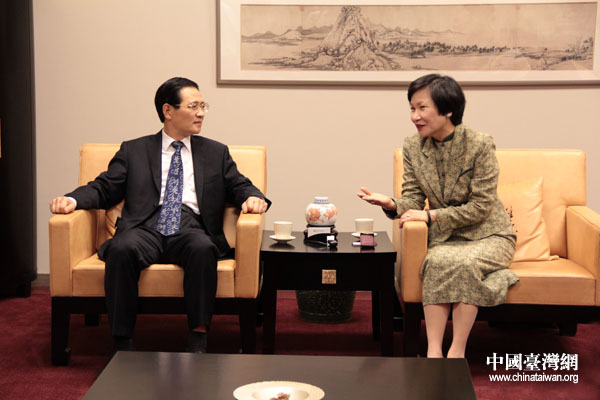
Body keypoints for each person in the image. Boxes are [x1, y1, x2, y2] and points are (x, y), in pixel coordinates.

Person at [50, 77, 271, 353]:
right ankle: (122, 343)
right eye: (193, 106)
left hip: (190, 226)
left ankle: (198, 337)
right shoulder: (134, 150)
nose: (201, 113)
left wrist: (253, 197)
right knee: (121, 248)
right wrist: (72, 200)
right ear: (168, 111)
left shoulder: (215, 152)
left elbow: (239, 184)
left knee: (203, 248)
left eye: (203, 106)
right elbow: (105, 187)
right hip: (145, 225)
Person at [358, 73, 517, 358]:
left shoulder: (480, 144)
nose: (414, 116)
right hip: (447, 238)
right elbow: (413, 199)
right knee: (436, 261)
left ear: (448, 109)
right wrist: (391, 203)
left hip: (489, 235)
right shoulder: (413, 146)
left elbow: (481, 206)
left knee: (464, 263)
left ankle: (456, 351)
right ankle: (433, 351)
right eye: (411, 108)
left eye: (422, 108)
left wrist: (431, 217)